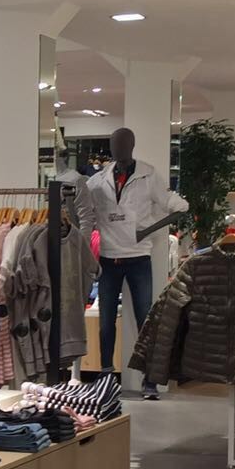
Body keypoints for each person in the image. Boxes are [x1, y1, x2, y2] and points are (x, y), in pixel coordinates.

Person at [86, 126, 188, 400]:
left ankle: (150, 379)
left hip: (138, 257)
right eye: (113, 144)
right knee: (106, 321)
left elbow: (179, 207)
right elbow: (85, 210)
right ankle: (106, 376)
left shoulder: (148, 175)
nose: (117, 149)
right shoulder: (98, 181)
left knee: (145, 319)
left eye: (122, 144)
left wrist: (147, 231)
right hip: (108, 257)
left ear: (131, 145)